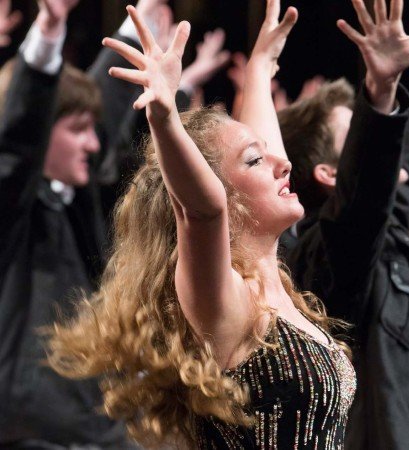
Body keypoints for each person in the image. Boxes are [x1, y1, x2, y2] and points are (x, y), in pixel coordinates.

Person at [47, 1, 356, 448]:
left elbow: (257, 156)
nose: (283, 163)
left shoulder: (279, 294)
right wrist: (165, 117)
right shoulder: (224, 302)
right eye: (255, 161)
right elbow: (203, 210)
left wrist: (259, 69)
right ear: (223, 196)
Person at [283, 0, 409, 448]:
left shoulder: (387, 237)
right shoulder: (329, 258)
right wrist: (381, 89)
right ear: (330, 175)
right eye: (364, 136)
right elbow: (360, 207)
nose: (395, 154)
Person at [0, 0, 171, 447]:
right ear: (43, 131)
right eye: (78, 128)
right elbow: (16, 152)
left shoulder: (71, 204)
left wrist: (137, 27)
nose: (93, 142)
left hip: (94, 427)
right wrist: (48, 34)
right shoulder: (11, 213)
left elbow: (107, 105)